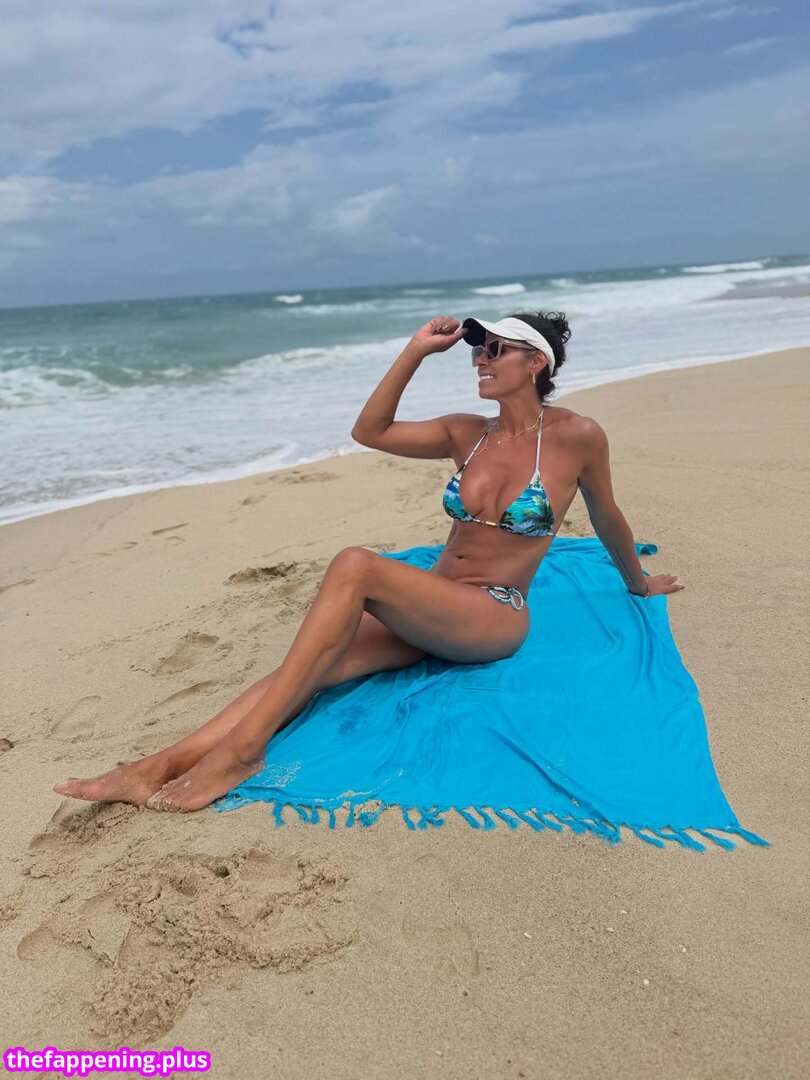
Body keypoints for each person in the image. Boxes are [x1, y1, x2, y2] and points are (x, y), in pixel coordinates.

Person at [54, 311, 684, 812]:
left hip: (493, 615)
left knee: (355, 565)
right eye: (476, 351)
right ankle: (155, 767)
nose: (480, 360)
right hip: (432, 604)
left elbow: (606, 514)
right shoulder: (467, 433)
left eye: (495, 350)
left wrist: (638, 582)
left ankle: (244, 751)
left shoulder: (577, 436)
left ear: (536, 362)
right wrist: (415, 351)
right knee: (308, 667)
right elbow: (370, 431)